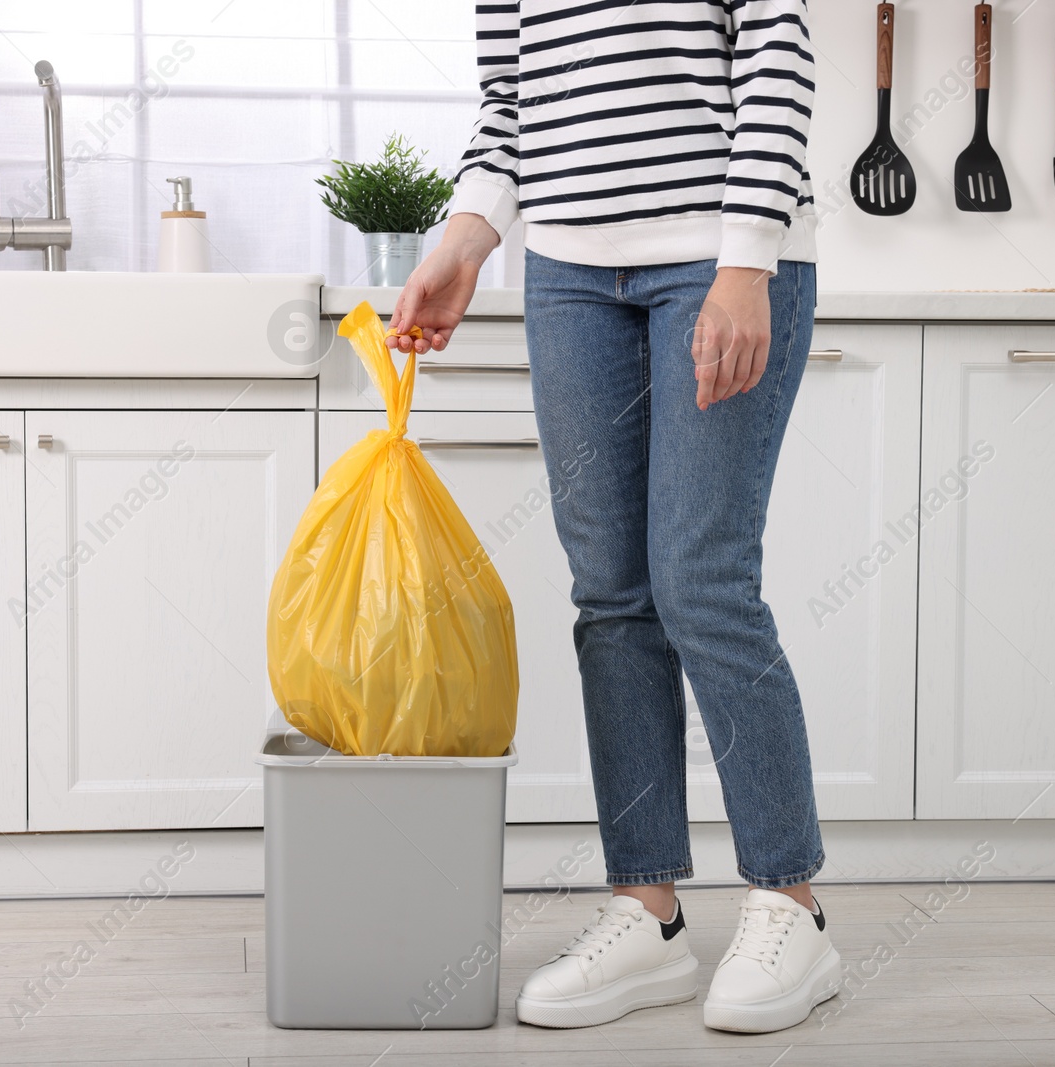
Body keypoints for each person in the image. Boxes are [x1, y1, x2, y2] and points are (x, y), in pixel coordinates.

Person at [390, 0, 837, 1034]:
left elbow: (776, 51)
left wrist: (745, 257)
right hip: (567, 268)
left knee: (701, 580)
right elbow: (510, 100)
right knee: (612, 595)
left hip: (717, 257)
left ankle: (790, 901)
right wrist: (467, 234)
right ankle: (649, 907)